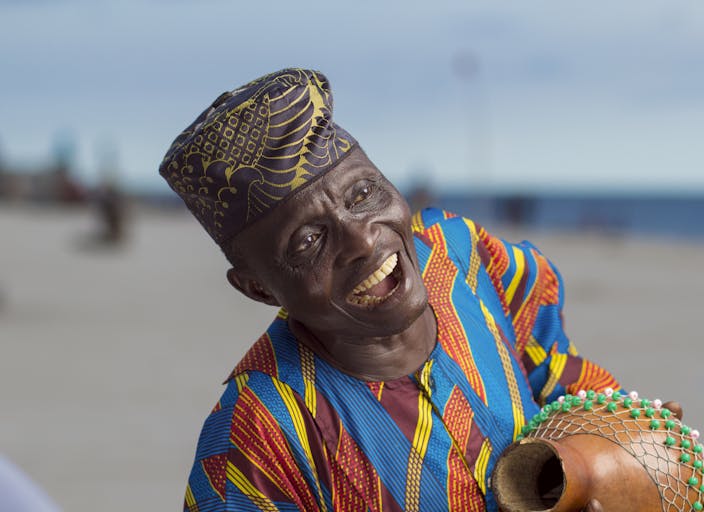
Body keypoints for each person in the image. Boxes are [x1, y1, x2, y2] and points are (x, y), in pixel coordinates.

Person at [160, 69, 623, 511]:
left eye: (362, 194)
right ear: (257, 287)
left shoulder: (462, 254)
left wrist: (618, 446)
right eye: (308, 241)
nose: (362, 239)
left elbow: (567, 382)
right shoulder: (257, 436)